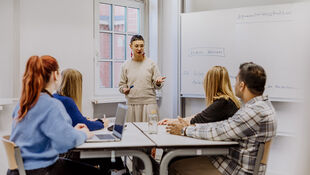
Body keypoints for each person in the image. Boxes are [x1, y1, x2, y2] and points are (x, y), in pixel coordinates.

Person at [167, 62, 277, 175]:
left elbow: (219, 131)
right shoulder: (264, 107)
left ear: (242, 85)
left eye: (236, 80)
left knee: (174, 165)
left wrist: (183, 130)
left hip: (234, 170)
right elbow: (224, 125)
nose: (234, 85)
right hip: (237, 164)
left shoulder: (254, 112)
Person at [8, 55, 101, 175]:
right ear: (56, 75)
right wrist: (83, 134)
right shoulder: (52, 104)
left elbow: (40, 136)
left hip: (18, 170)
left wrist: (72, 131)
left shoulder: (22, 104)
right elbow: (65, 143)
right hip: (41, 170)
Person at [159, 66, 240, 126]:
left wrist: (172, 122)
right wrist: (174, 120)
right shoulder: (228, 100)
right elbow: (202, 115)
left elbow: (197, 120)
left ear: (209, 84)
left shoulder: (223, 102)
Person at [119, 34, 166, 122]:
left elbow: (158, 84)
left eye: (141, 46)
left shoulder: (151, 64)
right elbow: (121, 85)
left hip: (149, 104)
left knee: (151, 132)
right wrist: (124, 89)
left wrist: (158, 82)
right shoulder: (125, 65)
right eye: (136, 46)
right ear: (130, 46)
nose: (139, 48)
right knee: (132, 132)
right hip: (131, 104)